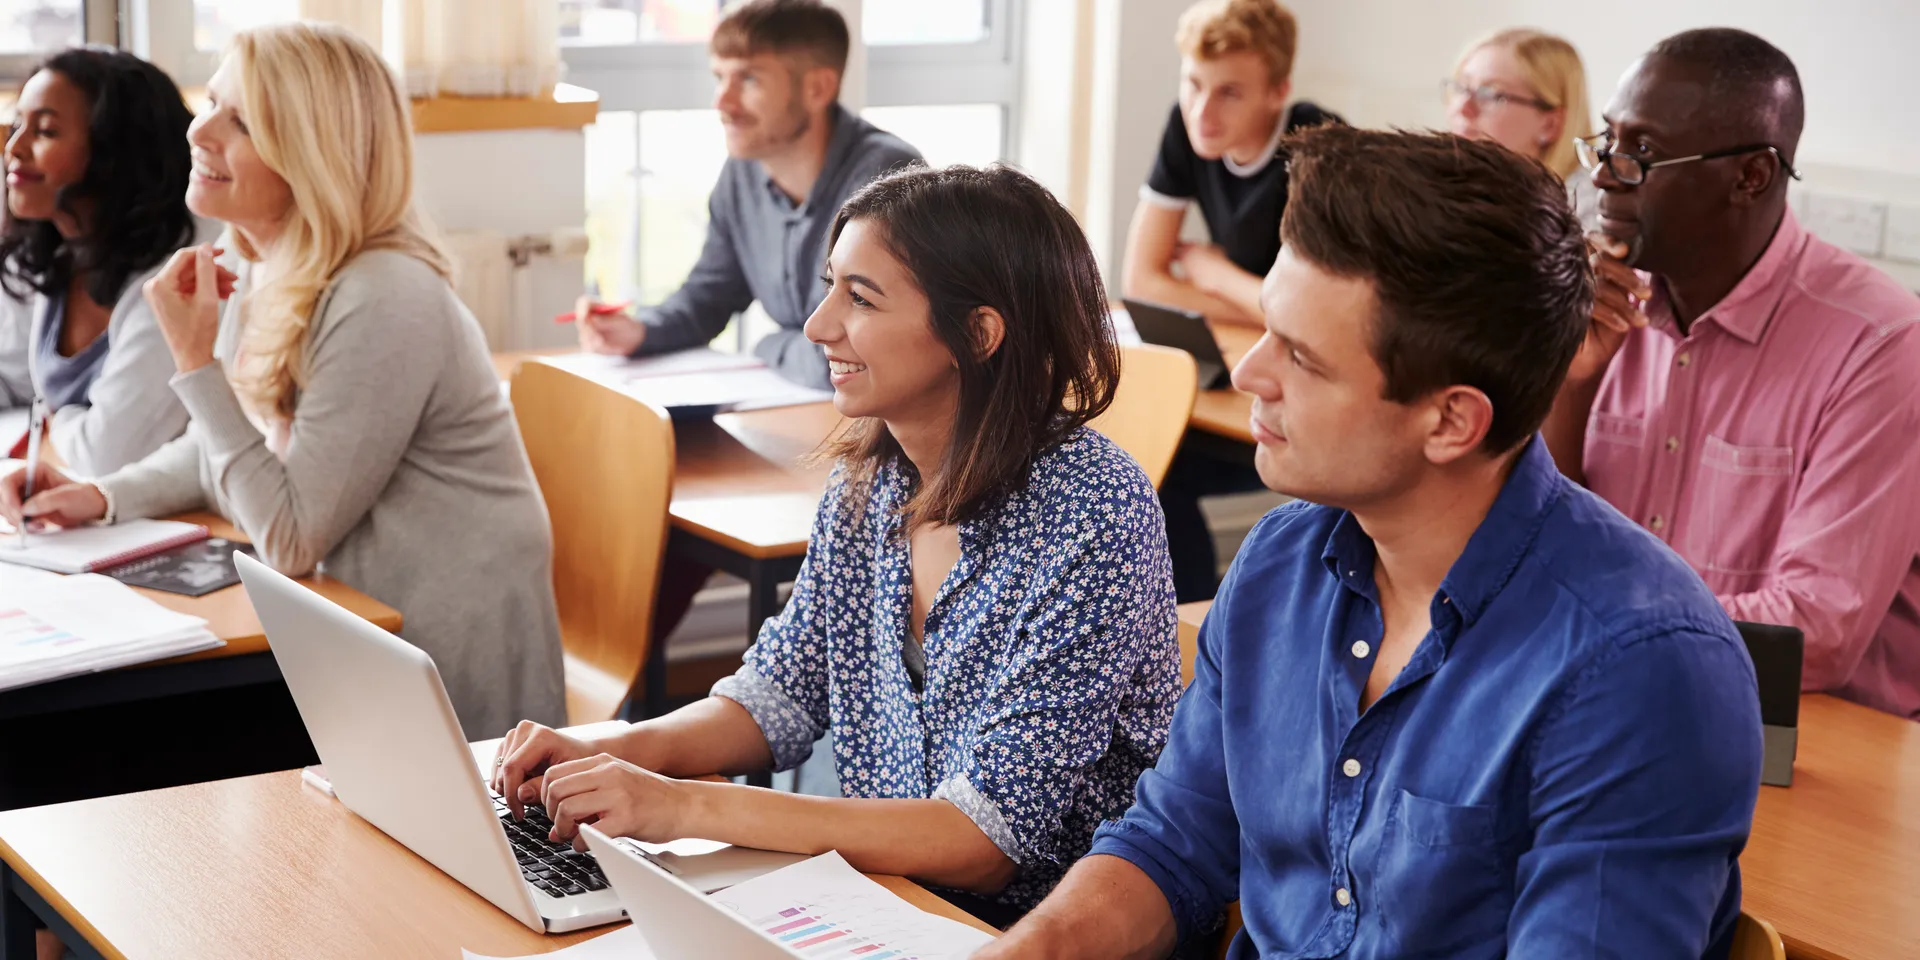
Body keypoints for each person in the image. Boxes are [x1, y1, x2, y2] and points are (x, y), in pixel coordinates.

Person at [978, 127, 1763, 959]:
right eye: (1266, 330)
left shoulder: (1642, 667)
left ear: (1451, 421)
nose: (1250, 375)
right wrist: (1029, 950)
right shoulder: (1280, 563)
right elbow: (1173, 845)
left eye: (1303, 359)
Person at [491, 165, 1182, 926]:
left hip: (1035, 931)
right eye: (831, 287)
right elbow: (782, 695)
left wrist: (681, 806)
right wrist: (613, 750)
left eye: (860, 297)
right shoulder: (870, 482)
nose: (819, 325)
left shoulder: (1096, 512)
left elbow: (987, 839)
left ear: (977, 334)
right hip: (888, 901)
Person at [0, 22, 565, 738]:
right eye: (211, 104)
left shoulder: (383, 293)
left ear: (311, 153)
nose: (199, 133)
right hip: (350, 626)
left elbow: (290, 534)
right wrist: (104, 496)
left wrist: (194, 361)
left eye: (240, 121)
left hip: (441, 667)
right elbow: (233, 451)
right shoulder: (262, 264)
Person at [1543, 29, 1920, 721]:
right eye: (1608, 141)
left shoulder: (1881, 343)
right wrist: (1566, 380)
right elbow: (1542, 541)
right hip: (1622, 697)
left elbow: (1811, 632)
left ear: (1750, 177)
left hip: (1810, 737)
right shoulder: (1606, 303)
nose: (1604, 173)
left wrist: (1587, 624)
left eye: (1643, 153)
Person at [570, 0, 921, 389]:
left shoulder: (885, 182)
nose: (722, 102)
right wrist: (638, 331)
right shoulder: (741, 175)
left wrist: (768, 345)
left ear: (818, 89)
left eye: (749, 79)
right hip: (808, 412)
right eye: (719, 77)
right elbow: (709, 298)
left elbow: (856, 357)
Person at [0, 47, 216, 475]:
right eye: (19, 123)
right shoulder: (55, 250)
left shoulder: (182, 271)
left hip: (178, 517)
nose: (14, 146)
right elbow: (12, 376)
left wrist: (53, 421)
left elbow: (109, 452)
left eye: (44, 131)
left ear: (113, 149)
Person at [1123, 0, 1341, 325]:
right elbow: (1141, 284)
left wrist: (1216, 275)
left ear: (1279, 92)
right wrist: (1262, 309)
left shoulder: (1320, 145)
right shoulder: (1185, 127)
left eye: (1229, 93)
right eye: (1193, 85)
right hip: (1260, 335)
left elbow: (1314, 314)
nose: (1201, 114)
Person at [1445, 27, 1598, 227]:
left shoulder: (1587, 216)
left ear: (1550, 124)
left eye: (1491, 95)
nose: (1463, 108)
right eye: (1460, 88)